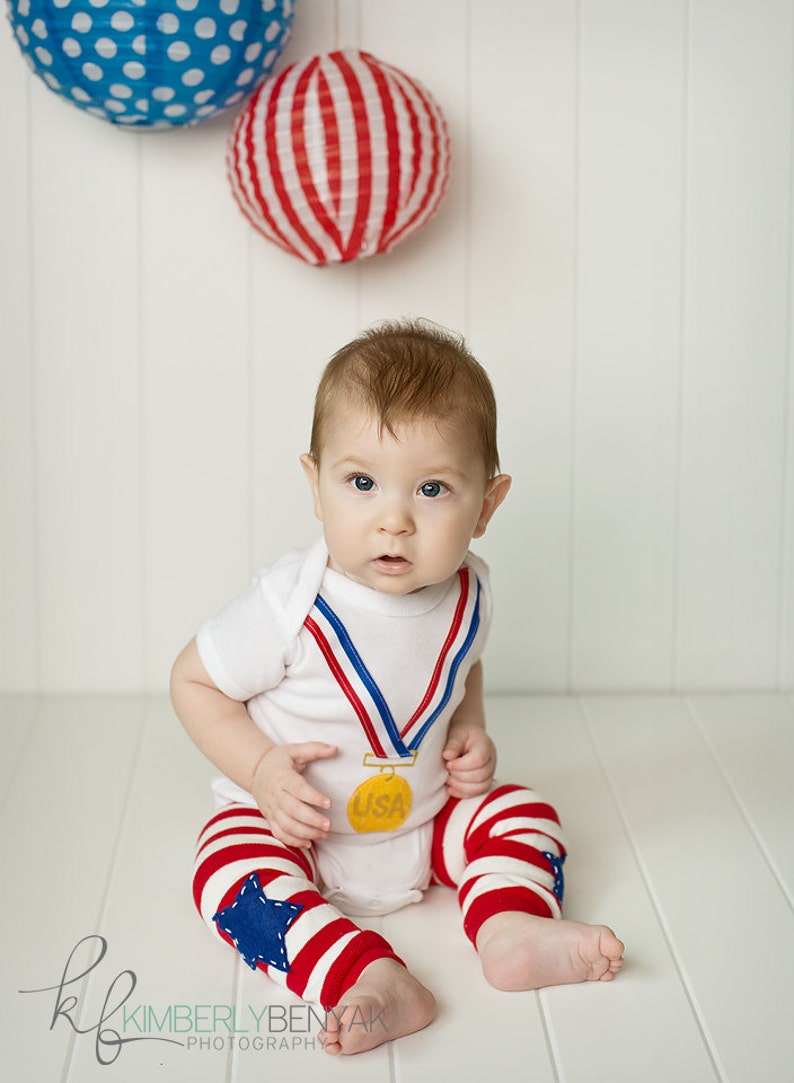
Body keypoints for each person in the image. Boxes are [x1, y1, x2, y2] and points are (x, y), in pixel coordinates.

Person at [170, 319, 624, 1056]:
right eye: (361, 482)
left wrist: (471, 729)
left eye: (434, 488)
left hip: (424, 820)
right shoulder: (291, 603)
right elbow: (191, 680)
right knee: (226, 870)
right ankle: (368, 974)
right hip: (300, 831)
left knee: (522, 810)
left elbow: (462, 665)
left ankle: (509, 926)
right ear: (314, 485)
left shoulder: (470, 590)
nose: (395, 518)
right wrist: (259, 769)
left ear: (488, 503)